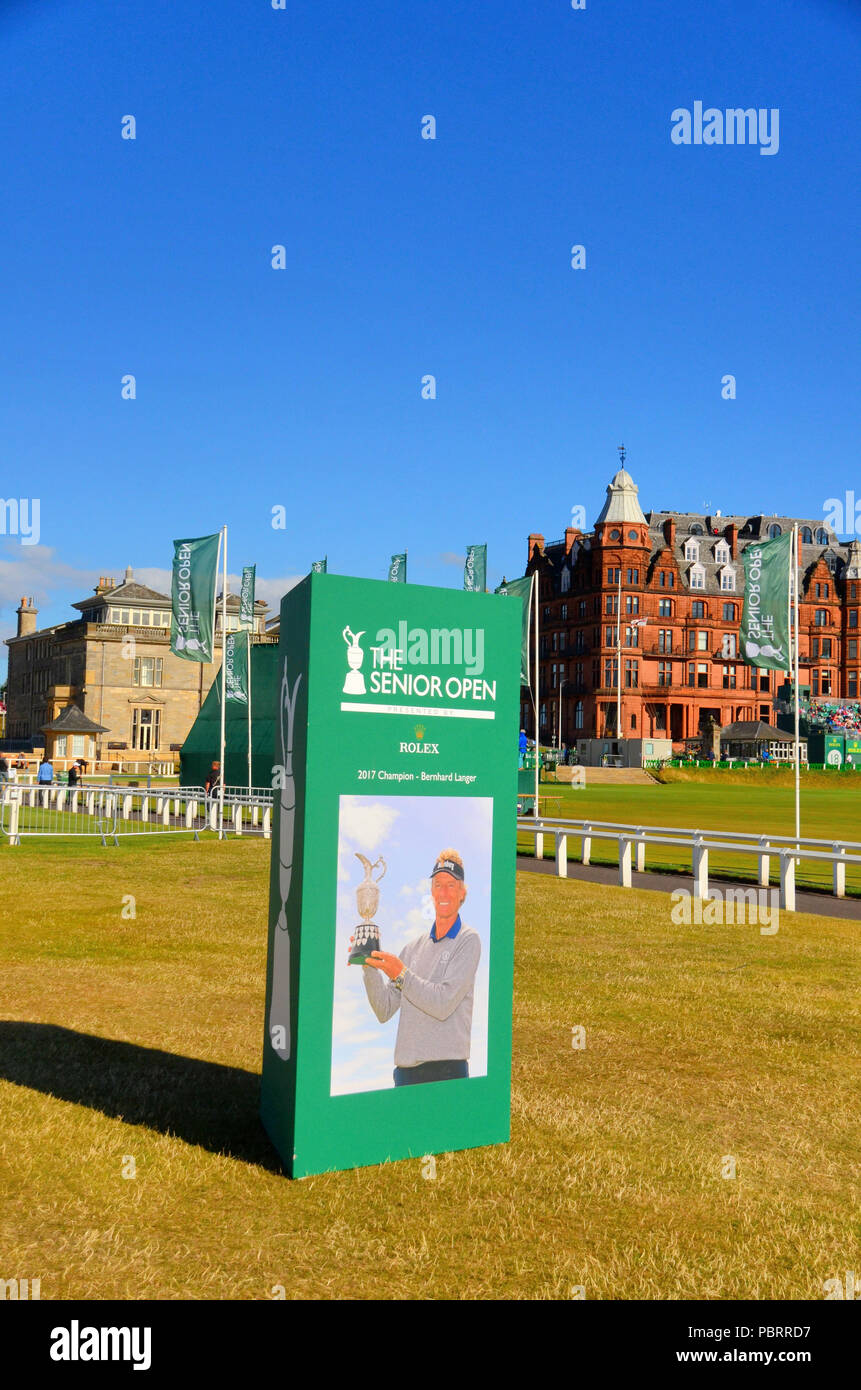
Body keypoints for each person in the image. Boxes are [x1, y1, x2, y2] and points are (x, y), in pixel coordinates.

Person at [357, 848, 481, 1086]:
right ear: (431, 892)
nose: (443, 892)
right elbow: (384, 1009)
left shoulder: (468, 940)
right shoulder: (412, 949)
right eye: (438, 885)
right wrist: (368, 965)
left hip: (446, 1073)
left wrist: (400, 973)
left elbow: (443, 1003)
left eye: (451, 885)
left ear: (462, 893)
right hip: (405, 1074)